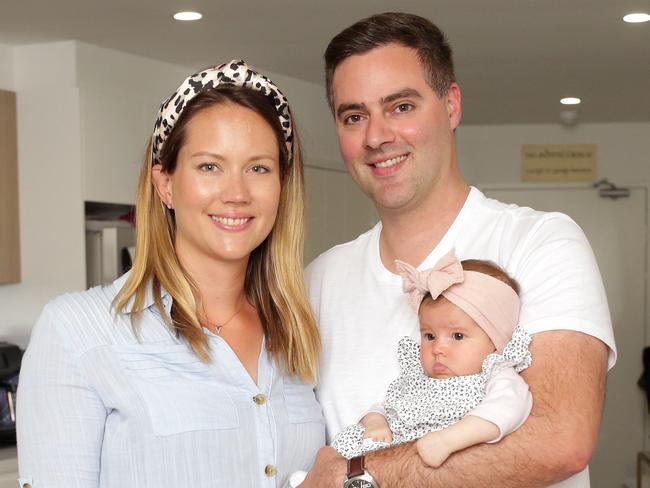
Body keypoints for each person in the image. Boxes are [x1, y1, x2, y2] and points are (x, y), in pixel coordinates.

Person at [302, 12, 616, 488]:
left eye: (401, 106)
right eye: (354, 116)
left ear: (451, 106)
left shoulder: (541, 243)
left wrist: (358, 474)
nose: (376, 136)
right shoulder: (319, 280)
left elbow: (559, 439)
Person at [17, 60, 325, 488]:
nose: (236, 193)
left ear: (281, 185)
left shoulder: (298, 330)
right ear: (165, 184)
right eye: (209, 167)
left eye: (258, 168)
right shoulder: (78, 332)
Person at [332, 251, 532, 468]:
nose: (437, 348)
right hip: (380, 459)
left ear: (495, 341)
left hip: (425, 463)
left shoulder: (495, 374)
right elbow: (387, 405)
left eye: (457, 336)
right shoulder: (419, 376)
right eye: (429, 336)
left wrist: (448, 441)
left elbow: (509, 407)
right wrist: (375, 421)